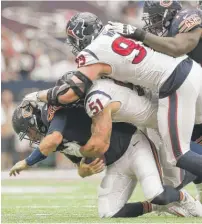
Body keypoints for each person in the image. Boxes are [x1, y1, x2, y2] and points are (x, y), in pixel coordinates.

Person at [34, 12, 202, 180]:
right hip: (188, 68)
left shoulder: (93, 53)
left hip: (173, 82)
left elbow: (70, 93)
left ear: (81, 36)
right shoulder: (114, 30)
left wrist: (38, 95)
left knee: (177, 154)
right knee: (196, 126)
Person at [9, 97, 202, 217]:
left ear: (34, 120)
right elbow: (80, 165)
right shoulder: (54, 139)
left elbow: (53, 139)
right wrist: (83, 170)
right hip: (115, 165)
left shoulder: (55, 114)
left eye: (31, 131)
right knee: (109, 212)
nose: (33, 137)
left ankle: (186, 197)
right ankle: (154, 208)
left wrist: (26, 162)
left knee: (157, 192)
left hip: (134, 146)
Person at [109, 0, 202, 201]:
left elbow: (179, 46)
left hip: (194, 89)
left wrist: (140, 35)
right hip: (193, 96)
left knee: (179, 153)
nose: (152, 24)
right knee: (185, 150)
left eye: (156, 18)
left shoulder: (187, 17)